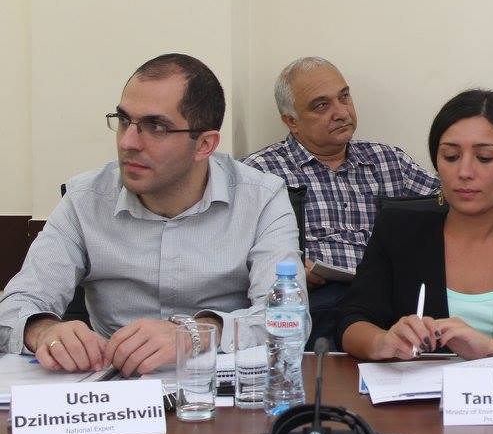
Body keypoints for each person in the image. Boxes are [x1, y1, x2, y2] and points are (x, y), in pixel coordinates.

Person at [0, 53, 303, 375]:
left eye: (155, 127)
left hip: (217, 385)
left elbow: (289, 318)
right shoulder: (85, 199)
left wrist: (195, 334)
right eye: (123, 120)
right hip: (111, 384)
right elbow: (15, 306)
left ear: (204, 145)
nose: (128, 142)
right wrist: (43, 330)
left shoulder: (261, 198)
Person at [337, 89, 493, 360]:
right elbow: (352, 321)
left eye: (484, 158)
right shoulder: (398, 231)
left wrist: (491, 347)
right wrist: (382, 342)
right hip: (417, 387)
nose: (464, 172)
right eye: (451, 157)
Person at [243, 57, 439, 348]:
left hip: (385, 303)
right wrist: (282, 268)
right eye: (322, 105)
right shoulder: (261, 173)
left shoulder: (388, 161)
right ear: (291, 121)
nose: (341, 112)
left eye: (344, 97)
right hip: (316, 305)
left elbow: (452, 202)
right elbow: (231, 252)